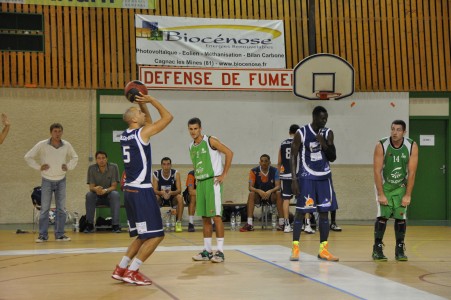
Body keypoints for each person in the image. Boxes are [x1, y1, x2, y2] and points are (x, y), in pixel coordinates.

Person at [111, 93, 173, 285]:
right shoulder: (142, 134)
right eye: (139, 112)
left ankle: (121, 268)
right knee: (157, 235)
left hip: (129, 191)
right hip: (142, 191)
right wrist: (151, 100)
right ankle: (132, 271)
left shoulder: (126, 135)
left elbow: (149, 122)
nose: (142, 113)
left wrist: (141, 105)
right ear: (133, 119)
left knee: (142, 235)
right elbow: (168, 118)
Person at [289, 106, 339, 261]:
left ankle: (323, 250)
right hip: (306, 176)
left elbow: (332, 157)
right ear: (314, 117)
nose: (324, 121)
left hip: (324, 177)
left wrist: (323, 143)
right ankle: (295, 248)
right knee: (301, 211)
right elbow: (293, 156)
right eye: (322, 118)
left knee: (324, 213)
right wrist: (294, 179)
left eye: (326, 118)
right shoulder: (301, 133)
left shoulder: (327, 133)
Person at [188, 117, 233, 263]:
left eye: (195, 128)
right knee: (205, 218)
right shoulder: (191, 146)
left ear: (200, 128)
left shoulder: (210, 141)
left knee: (217, 217)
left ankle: (220, 252)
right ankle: (207, 251)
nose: (193, 131)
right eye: (191, 129)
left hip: (212, 182)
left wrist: (224, 174)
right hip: (200, 183)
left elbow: (229, 153)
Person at [372, 120, 418, 261]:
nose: (394, 132)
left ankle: (399, 248)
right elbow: (377, 170)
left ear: (404, 132)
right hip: (385, 184)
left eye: (398, 130)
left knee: (400, 216)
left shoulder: (411, 146)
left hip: (400, 186)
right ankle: (377, 248)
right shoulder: (381, 145)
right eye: (392, 129)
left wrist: (408, 195)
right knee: (383, 215)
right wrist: (380, 193)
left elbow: (412, 173)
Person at [25, 123, 78, 243]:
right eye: (55, 131)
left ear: (62, 132)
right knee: (44, 209)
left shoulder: (67, 145)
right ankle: (42, 235)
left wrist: (68, 166)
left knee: (61, 209)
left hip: (61, 180)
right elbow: (28, 156)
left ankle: (60, 235)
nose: (57, 134)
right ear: (51, 133)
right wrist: (39, 167)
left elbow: (75, 157)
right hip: (47, 180)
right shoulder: (42, 144)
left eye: (59, 131)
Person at [240, 154, 281, 232]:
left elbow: (278, 186)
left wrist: (270, 191)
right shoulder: (253, 171)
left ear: (269, 162)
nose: (264, 163)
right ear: (259, 162)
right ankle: (249, 224)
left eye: (266, 161)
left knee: (278, 193)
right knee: (251, 193)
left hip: (271, 196)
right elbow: (250, 187)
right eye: (262, 161)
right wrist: (259, 191)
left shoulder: (275, 171)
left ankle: (282, 223)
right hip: (258, 196)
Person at [84, 150, 121, 233]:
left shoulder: (113, 167)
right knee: (89, 195)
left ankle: (115, 225)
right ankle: (89, 225)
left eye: (103, 158)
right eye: (99, 158)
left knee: (115, 194)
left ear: (107, 159)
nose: (101, 160)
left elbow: (114, 186)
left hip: (108, 196)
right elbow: (91, 187)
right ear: (96, 160)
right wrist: (96, 189)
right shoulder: (91, 168)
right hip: (96, 196)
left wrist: (105, 190)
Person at [277, 124, 300, 233]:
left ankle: (286, 225)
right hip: (297, 175)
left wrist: (279, 175)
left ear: (289, 132)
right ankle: (306, 225)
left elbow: (279, 162)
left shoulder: (283, 143)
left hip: (285, 175)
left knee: (286, 200)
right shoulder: (299, 143)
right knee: (302, 199)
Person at [152, 157, 184, 232]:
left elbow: (179, 190)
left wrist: (171, 192)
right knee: (154, 197)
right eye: (164, 164)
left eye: (168, 164)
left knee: (180, 197)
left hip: (172, 197)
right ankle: (157, 223)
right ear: (161, 165)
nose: (166, 166)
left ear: (171, 165)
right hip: (161, 197)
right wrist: (161, 193)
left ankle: (178, 222)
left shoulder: (176, 173)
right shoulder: (156, 174)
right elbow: (154, 190)